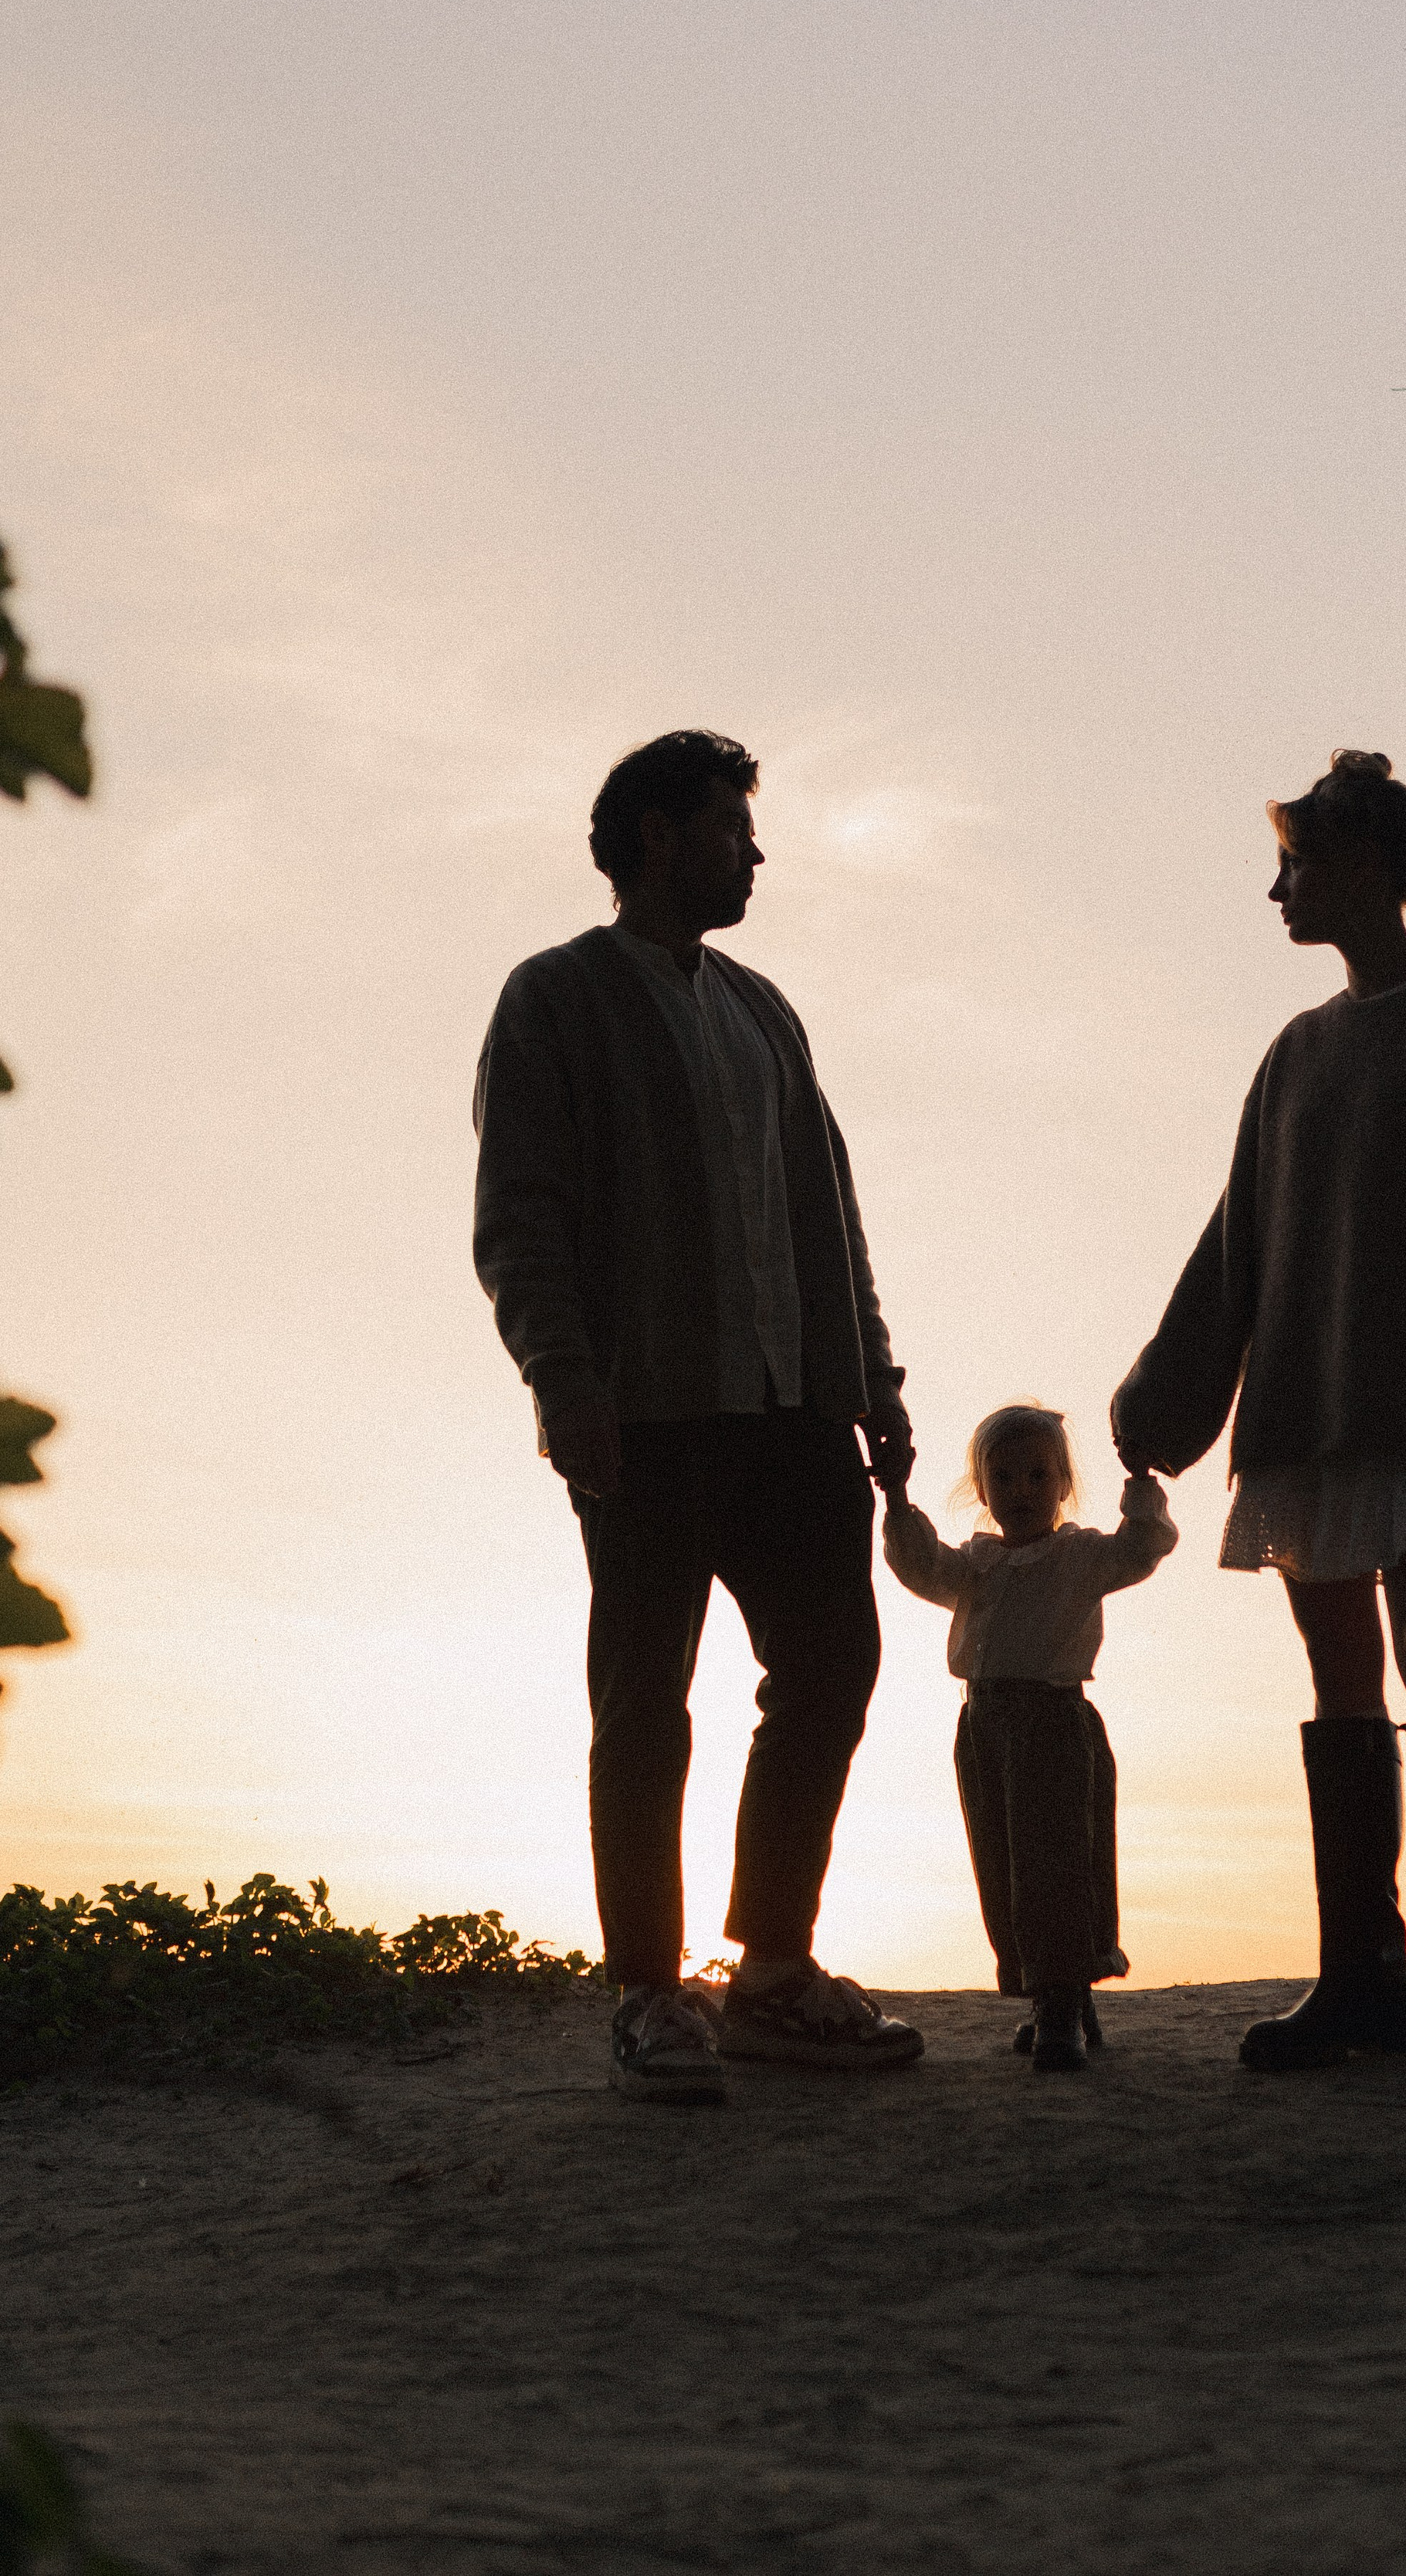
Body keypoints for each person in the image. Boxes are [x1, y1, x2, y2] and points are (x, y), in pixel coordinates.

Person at [473, 728, 924, 2104]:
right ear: (660, 834)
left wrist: (878, 1381)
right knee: (644, 1702)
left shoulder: (766, 1010)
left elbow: (828, 1214)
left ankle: (772, 1969)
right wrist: (566, 1380)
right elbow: (523, 1218)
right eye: (735, 825)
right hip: (648, 1414)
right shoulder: (554, 996)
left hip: (796, 1409)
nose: (757, 851)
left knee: (833, 1663)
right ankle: (650, 1992)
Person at [1111, 750, 1406, 2101]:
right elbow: (1240, 1240)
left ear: (1363, 860)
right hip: (1304, 1412)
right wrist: (1163, 1401)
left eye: (1295, 862)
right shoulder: (1293, 1050)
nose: (1277, 888)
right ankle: (1364, 1973)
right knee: (1336, 1677)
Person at [882, 1403, 1177, 2072]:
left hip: (1053, 1725)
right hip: (984, 1727)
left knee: (1059, 1861)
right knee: (1006, 1864)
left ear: (1063, 1484)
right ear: (983, 1490)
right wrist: (897, 1498)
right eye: (1004, 1477)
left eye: (1037, 1475)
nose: (1021, 1490)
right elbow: (918, 1563)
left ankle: (1062, 2005)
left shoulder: (1081, 1556)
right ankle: (1055, 1993)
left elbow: (1143, 1548)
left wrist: (1140, 1484)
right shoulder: (975, 1566)